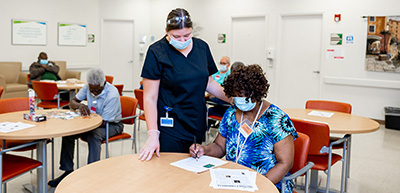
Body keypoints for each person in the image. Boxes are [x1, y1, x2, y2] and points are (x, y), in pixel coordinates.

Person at [138, 8, 229, 161]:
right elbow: (150, 97)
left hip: (195, 122)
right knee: (170, 171)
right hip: (169, 126)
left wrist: (234, 98)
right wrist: (152, 134)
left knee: (191, 170)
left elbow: (209, 82)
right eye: (176, 36)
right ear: (166, 32)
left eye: (186, 35)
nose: (182, 41)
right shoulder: (157, 52)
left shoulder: (202, 48)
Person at [189, 64, 298, 192]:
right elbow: (219, 147)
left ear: (257, 94)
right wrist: (204, 150)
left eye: (245, 97)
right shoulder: (231, 113)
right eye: (237, 96)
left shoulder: (275, 119)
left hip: (268, 184)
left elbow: (285, 163)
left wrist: (259, 186)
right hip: (234, 181)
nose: (240, 100)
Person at [48, 68, 123, 187]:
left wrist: (84, 126)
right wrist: (80, 105)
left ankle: (92, 174)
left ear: (103, 84)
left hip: (111, 124)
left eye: (97, 90)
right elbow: (72, 102)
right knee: (69, 133)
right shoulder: (89, 87)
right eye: (92, 90)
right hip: (91, 121)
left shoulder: (112, 94)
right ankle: (67, 171)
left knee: (94, 135)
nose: (94, 93)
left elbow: (104, 122)